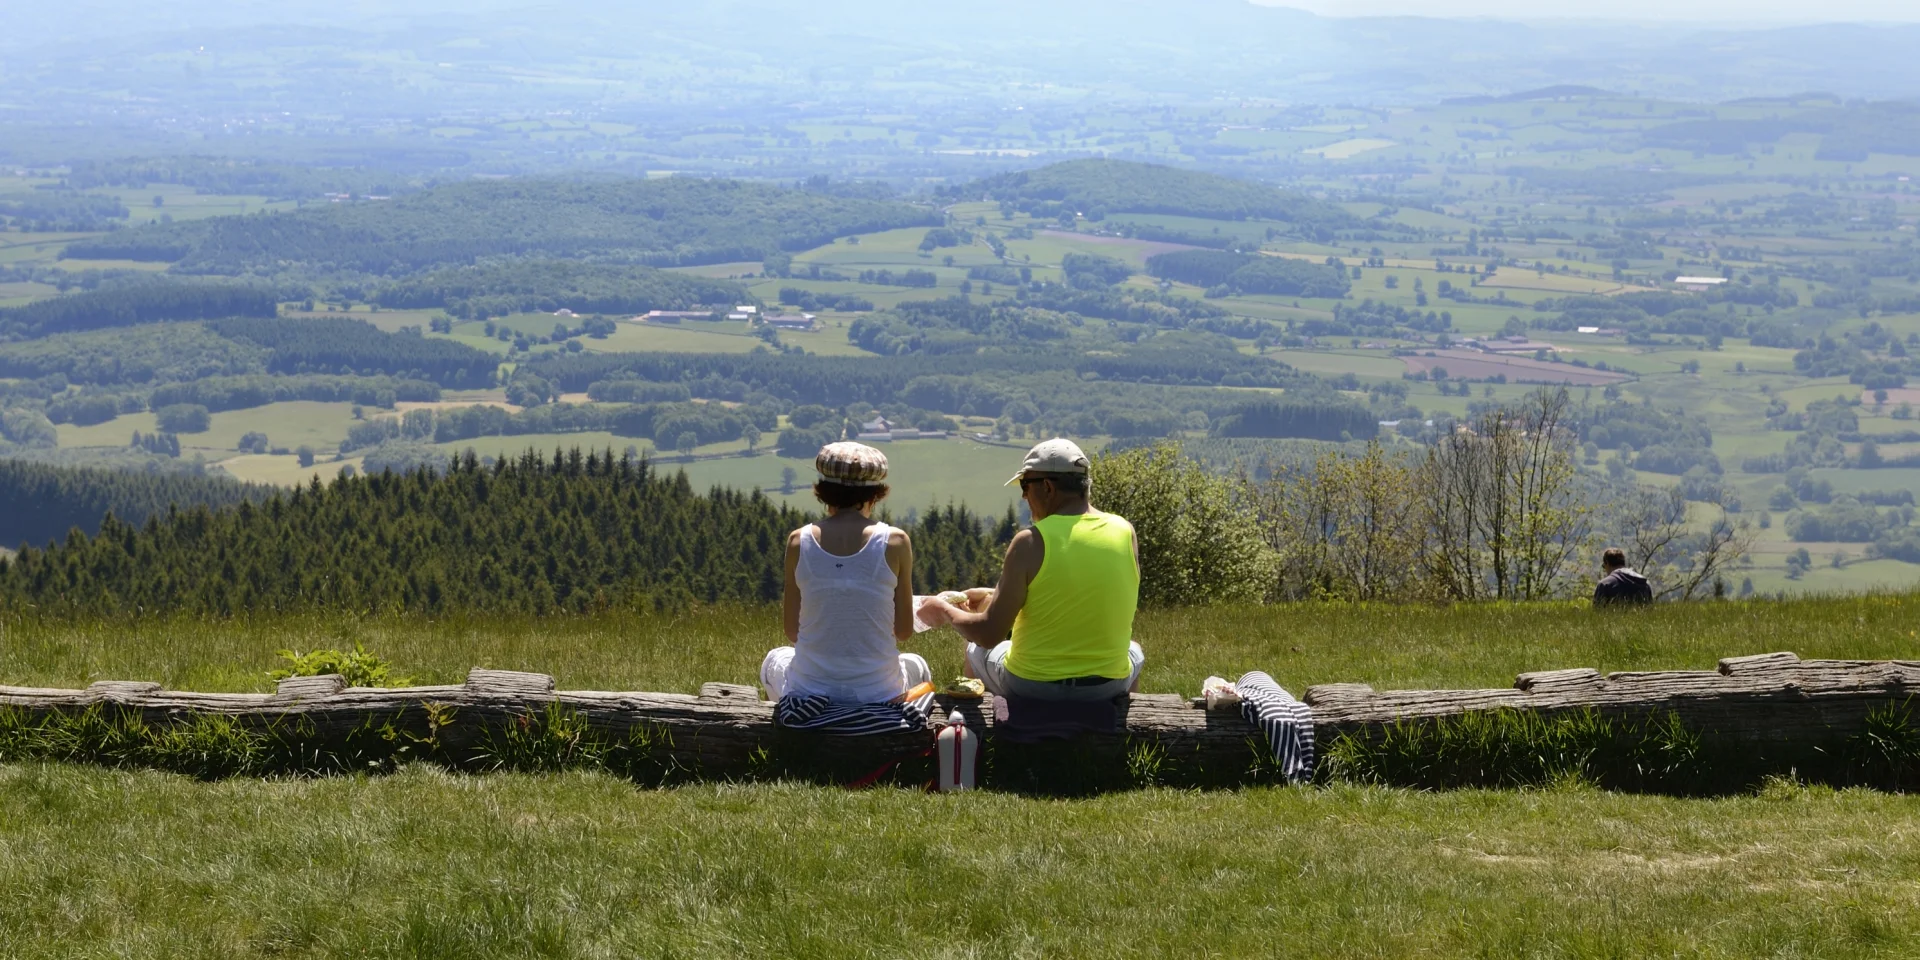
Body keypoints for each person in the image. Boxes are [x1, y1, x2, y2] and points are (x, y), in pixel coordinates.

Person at [917, 438, 1144, 701]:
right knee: (1134, 650)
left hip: (1033, 685)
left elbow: (988, 634)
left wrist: (944, 609)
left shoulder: (1030, 541)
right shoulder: (1125, 532)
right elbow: (1082, 592)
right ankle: (1120, 723)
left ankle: (983, 723)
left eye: (1025, 486)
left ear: (1047, 487)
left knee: (974, 650)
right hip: (1108, 686)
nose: (1024, 496)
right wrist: (994, 594)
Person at [761, 442, 931, 703]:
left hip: (810, 693)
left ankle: (789, 723)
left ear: (824, 492)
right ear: (876, 494)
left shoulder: (798, 541)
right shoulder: (896, 541)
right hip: (879, 695)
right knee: (917, 664)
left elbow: (792, 632)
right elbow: (904, 631)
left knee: (774, 659)